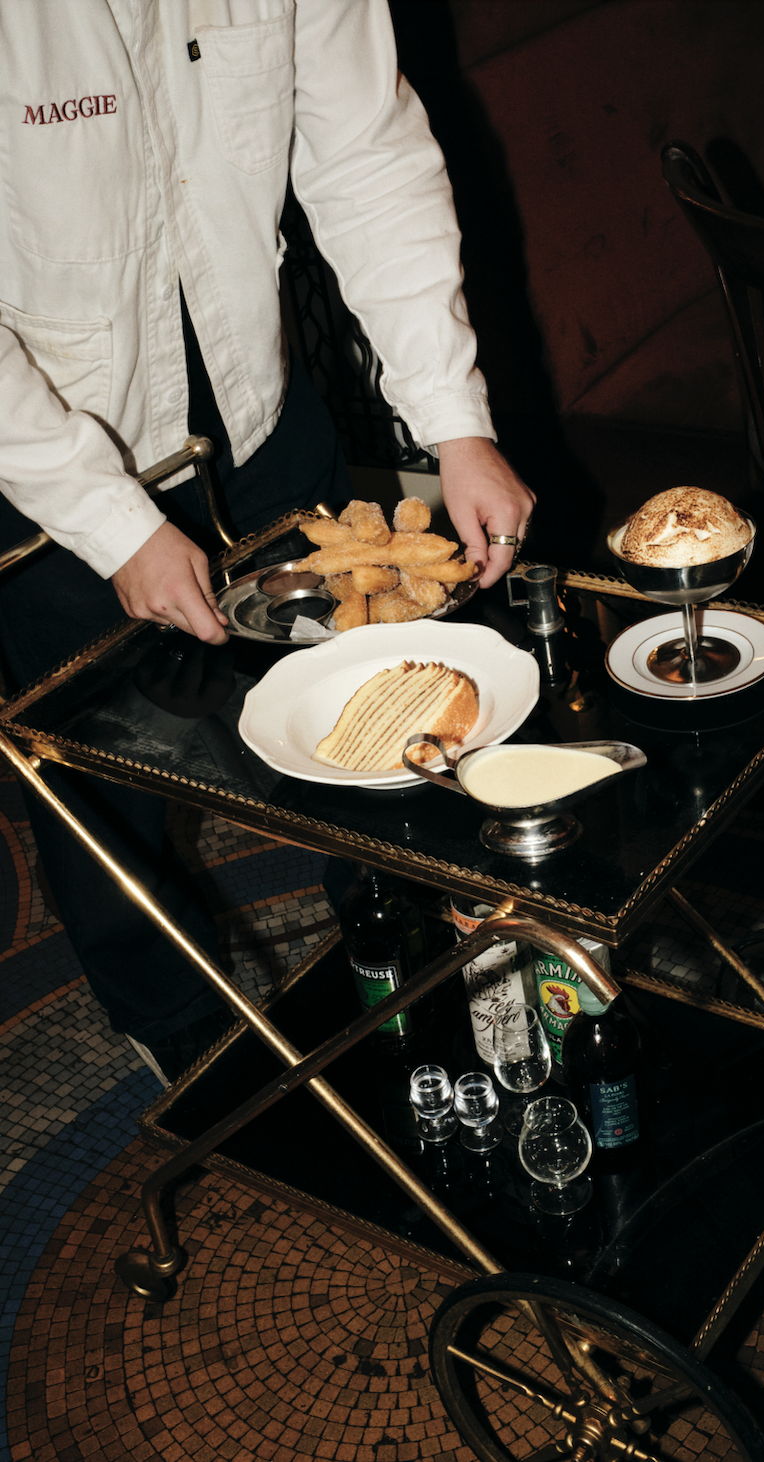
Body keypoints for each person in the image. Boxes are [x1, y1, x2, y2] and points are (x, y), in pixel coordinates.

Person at [0, 0, 534, 1080]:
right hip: (44, 457)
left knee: (365, 708)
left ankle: (398, 949)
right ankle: (174, 1021)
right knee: (101, 780)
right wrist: (111, 522)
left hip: (258, 409)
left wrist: (455, 421)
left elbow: (367, 156)